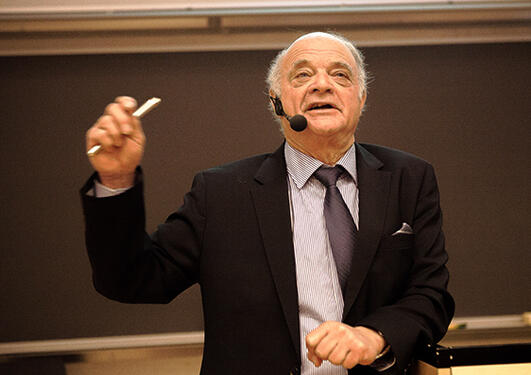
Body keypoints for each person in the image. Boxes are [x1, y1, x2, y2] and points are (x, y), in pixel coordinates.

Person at [81, 32, 454, 375]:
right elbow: (130, 280)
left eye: (340, 75)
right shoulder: (222, 192)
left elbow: (430, 295)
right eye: (302, 75)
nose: (322, 84)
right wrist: (116, 180)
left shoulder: (410, 178)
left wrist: (374, 336)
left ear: (362, 98)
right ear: (276, 102)